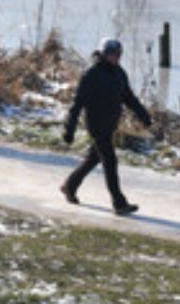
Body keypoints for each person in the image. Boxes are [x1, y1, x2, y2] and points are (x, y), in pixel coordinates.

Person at [62, 37, 153, 216]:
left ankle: (69, 186)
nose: (116, 58)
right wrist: (69, 129)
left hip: (110, 124)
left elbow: (129, 98)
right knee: (110, 161)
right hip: (96, 124)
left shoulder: (120, 74)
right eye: (112, 54)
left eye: (119, 54)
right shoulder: (92, 74)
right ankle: (119, 202)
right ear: (103, 54)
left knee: (94, 158)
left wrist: (144, 115)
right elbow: (77, 104)